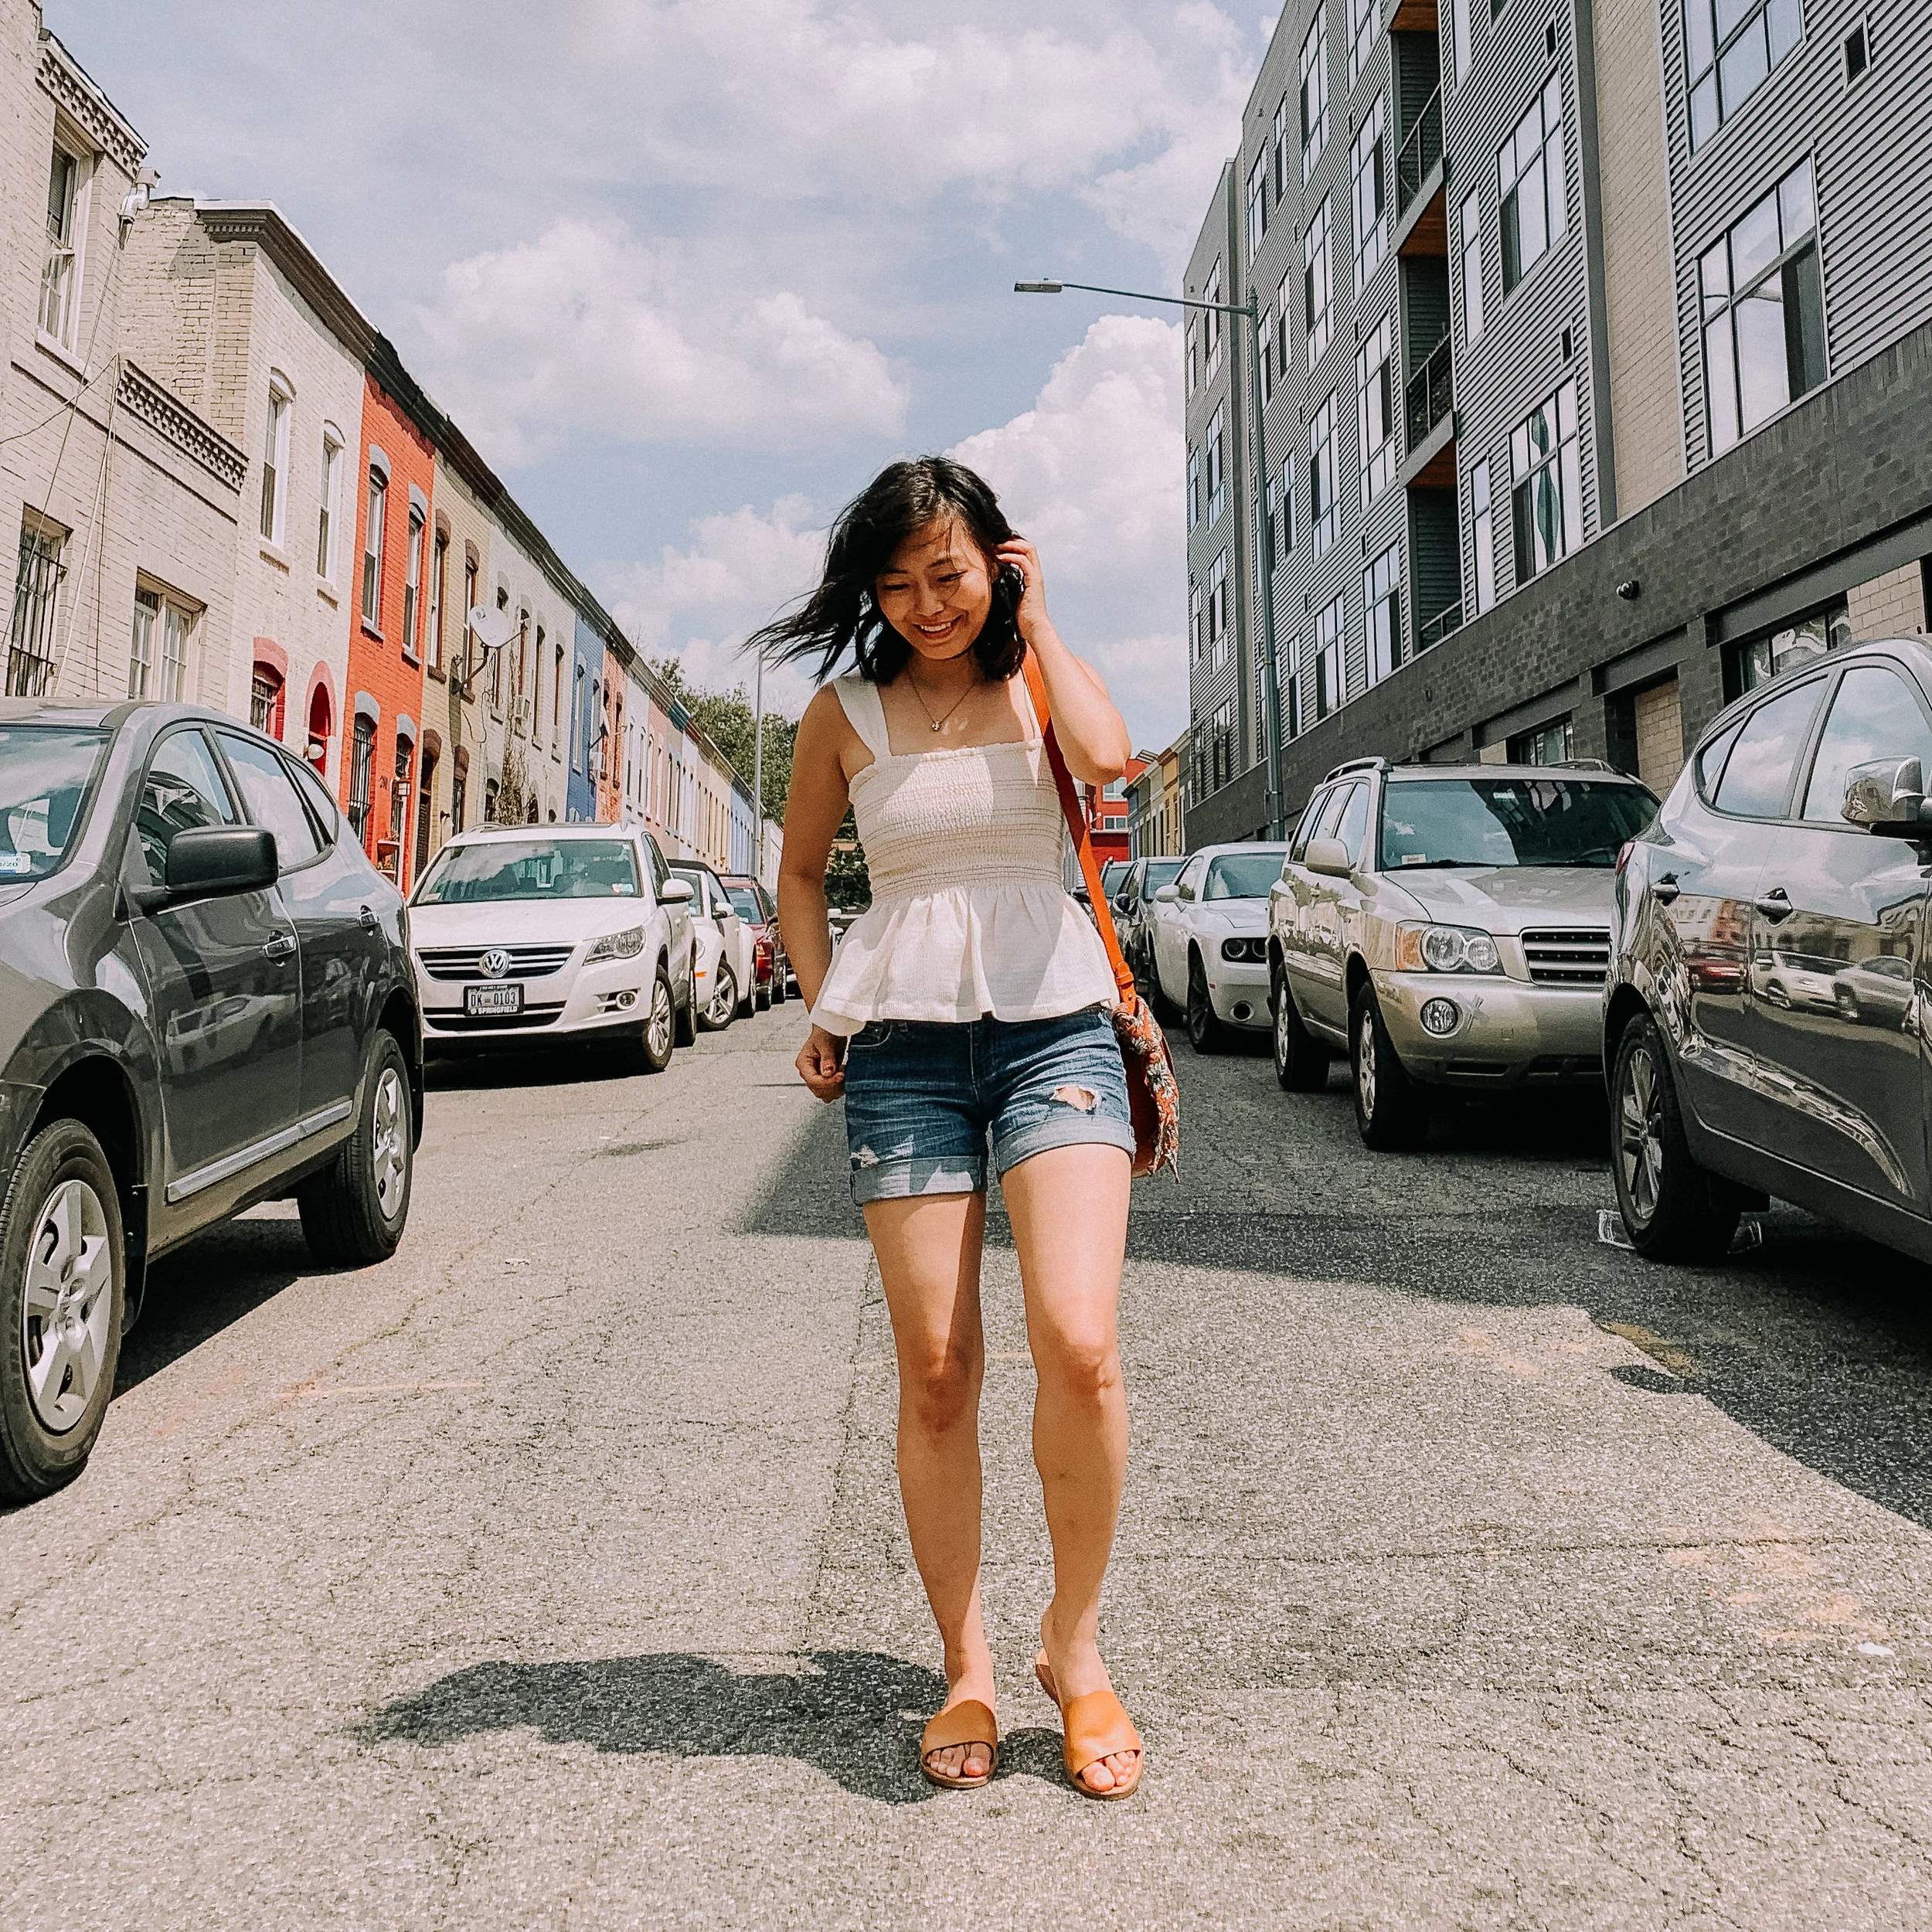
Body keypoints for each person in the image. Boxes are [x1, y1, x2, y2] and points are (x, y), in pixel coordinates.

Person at [761, 456, 1145, 1800]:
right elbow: (801, 871)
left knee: (1080, 1343)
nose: (928, 605)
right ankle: (967, 1661)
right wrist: (825, 996)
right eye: (899, 583)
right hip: (903, 1055)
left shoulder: (1031, 673)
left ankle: (1074, 1651)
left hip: (1057, 1030)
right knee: (935, 1366)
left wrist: (1036, 624)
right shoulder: (842, 712)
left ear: (998, 561)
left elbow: (1111, 764)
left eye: (952, 574)